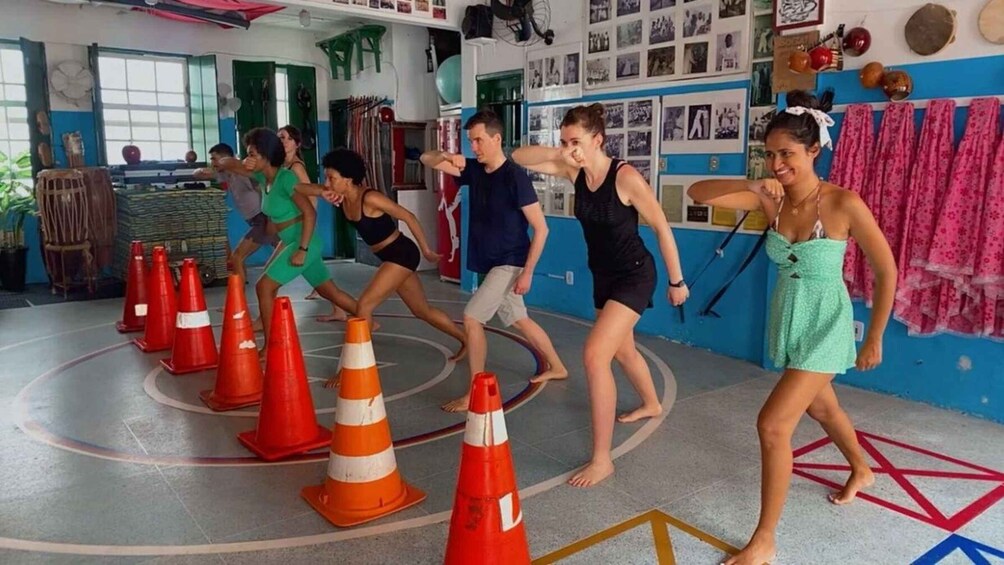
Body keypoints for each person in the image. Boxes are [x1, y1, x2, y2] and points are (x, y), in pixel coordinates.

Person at [687, 89, 895, 565]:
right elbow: (699, 192)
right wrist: (755, 183)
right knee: (822, 408)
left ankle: (764, 539)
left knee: (773, 425)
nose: (777, 164)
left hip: (827, 324)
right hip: (789, 319)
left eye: (787, 154)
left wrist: (875, 336)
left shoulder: (843, 203)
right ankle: (862, 469)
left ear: (813, 151)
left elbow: (887, 271)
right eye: (770, 154)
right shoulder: (771, 199)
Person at [510, 103, 689, 488]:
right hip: (603, 277)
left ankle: (601, 459)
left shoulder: (625, 177)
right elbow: (519, 156)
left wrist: (677, 281)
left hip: (635, 275)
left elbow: (661, 227)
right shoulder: (572, 171)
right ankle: (651, 403)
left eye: (576, 141)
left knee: (594, 355)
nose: (570, 148)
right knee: (623, 351)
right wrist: (559, 153)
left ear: (598, 140)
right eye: (565, 141)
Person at [420, 109, 568, 413]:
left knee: (472, 318)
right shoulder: (473, 170)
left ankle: (475, 393)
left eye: (478, 140)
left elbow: (541, 229)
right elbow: (426, 159)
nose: (473, 147)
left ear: (496, 138)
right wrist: (447, 155)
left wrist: (527, 272)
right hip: (492, 263)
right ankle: (558, 366)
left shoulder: (516, 177)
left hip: (510, 262)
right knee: (519, 319)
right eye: (470, 141)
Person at [292, 148, 466, 387]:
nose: (327, 182)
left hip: (401, 253)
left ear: (348, 179)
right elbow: (299, 188)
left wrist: (426, 249)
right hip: (389, 256)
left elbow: (408, 216)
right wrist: (323, 192)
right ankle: (466, 339)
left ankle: (350, 368)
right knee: (421, 310)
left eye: (331, 178)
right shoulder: (338, 195)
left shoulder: (370, 198)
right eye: (327, 178)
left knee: (364, 305)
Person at [219, 127, 360, 347]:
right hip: (293, 241)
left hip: (303, 243)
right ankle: (368, 319)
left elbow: (309, 211)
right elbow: (226, 163)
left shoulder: (285, 177)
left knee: (264, 287)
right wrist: (241, 161)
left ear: (266, 155)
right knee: (330, 292)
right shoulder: (262, 177)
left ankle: (270, 346)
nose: (249, 158)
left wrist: (302, 250)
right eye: (248, 154)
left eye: (253, 154)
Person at [277, 125, 347, 322]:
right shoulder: (283, 166)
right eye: (280, 138)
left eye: (287, 138)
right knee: (318, 272)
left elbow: (311, 195)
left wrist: (307, 220)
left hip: (300, 226)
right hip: (293, 225)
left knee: (272, 271)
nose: (282, 141)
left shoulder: (296, 167)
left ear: (297, 144)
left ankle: (342, 307)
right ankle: (338, 308)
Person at [193, 143, 277, 285]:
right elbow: (196, 175)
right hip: (255, 220)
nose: (212, 162)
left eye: (214, 159)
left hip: (262, 219)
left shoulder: (245, 173)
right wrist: (202, 170)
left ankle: (239, 296)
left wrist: (270, 220)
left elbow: (266, 193)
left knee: (237, 257)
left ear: (226, 159)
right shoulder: (226, 174)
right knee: (285, 249)